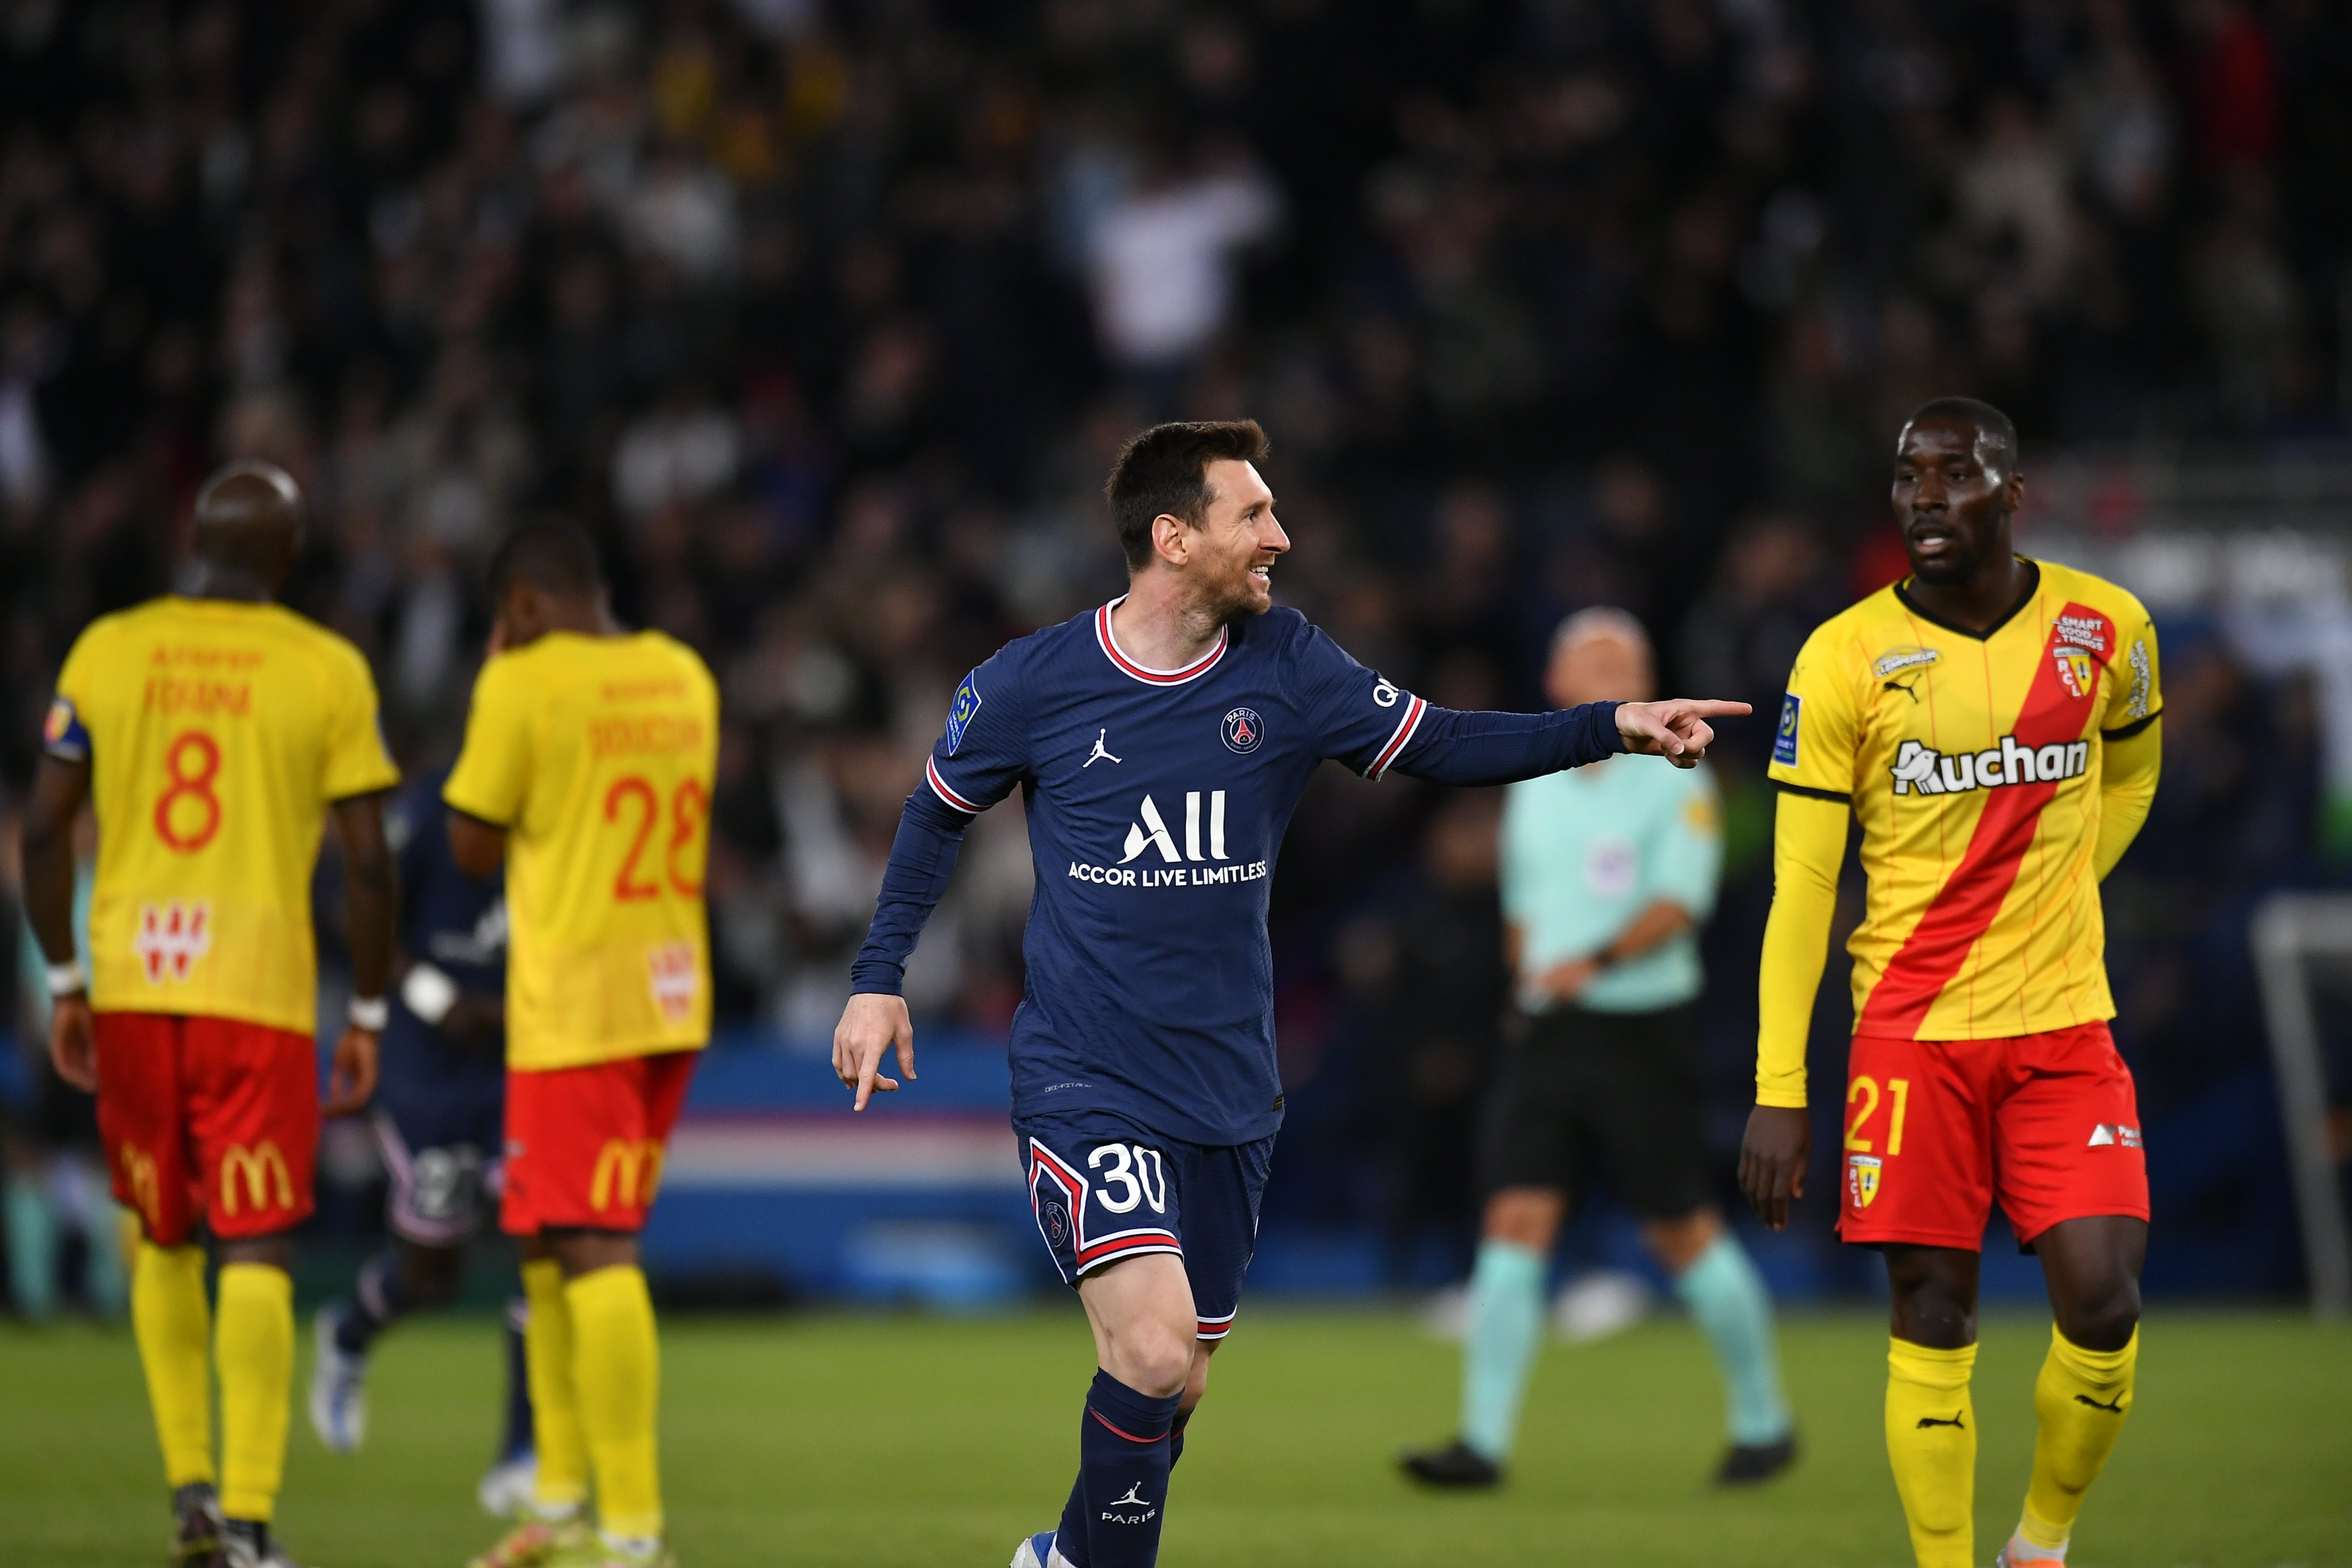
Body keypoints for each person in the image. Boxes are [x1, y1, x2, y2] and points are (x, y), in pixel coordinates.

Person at [832, 420, 1747, 1568]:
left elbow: (1439, 740)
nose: (1283, 535)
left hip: (1226, 1089)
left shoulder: (1289, 662)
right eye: (1252, 514)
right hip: (1085, 1074)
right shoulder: (1031, 683)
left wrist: (1602, 727)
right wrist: (878, 982)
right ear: (1172, 538)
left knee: (1182, 1380)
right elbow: (931, 815)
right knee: (1154, 1351)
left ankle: (1059, 1558)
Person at [1739, 398, 2163, 1568]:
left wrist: (2055, 880)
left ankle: (2039, 1543)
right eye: (1907, 476)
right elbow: (1803, 887)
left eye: (1954, 475)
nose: (1925, 497)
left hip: (2063, 1027)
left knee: (2103, 1300)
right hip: (1907, 1036)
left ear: (2011, 492)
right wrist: (1782, 1085)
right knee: (1931, 1315)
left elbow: (2127, 778)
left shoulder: (2104, 624)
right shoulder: (1841, 657)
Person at [22, 460, 399, 1568]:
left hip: (134, 987)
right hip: (256, 995)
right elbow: (369, 864)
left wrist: (62, 981)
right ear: (285, 556)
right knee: (258, 1246)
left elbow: (45, 834)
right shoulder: (326, 668)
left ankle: (189, 1488)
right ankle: (248, 1517)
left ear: (196, 543)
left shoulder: (109, 648)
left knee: (163, 1237)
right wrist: (369, 1009)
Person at [1403, 607, 1794, 1490]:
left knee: (1679, 1229)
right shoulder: (1532, 783)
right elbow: (1524, 908)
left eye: (1631, 658)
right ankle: (1482, 1441)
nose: (1617, 669)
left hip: (1638, 1030)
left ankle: (1765, 1419)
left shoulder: (1677, 780)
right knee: (1514, 1219)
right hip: (1547, 1031)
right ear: (1558, 686)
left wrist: (1592, 963)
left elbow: (1678, 904)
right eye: (1598, 658)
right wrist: (1528, 983)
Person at [446, 520, 717, 1568]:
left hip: (575, 1009)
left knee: (594, 1245)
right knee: (548, 1233)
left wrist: (494, 687)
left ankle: (633, 1527)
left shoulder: (523, 683)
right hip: (667, 996)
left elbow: (471, 846)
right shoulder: (683, 675)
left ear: (519, 608)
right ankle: (559, 1503)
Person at [310, 761, 536, 1515]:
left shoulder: (567, 800)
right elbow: (359, 907)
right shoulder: (433, 814)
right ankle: (350, 1331)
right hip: (428, 1065)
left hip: (522, 1061)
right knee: (432, 1272)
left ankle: (523, 1451)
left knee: (544, 1241)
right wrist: (435, 997)